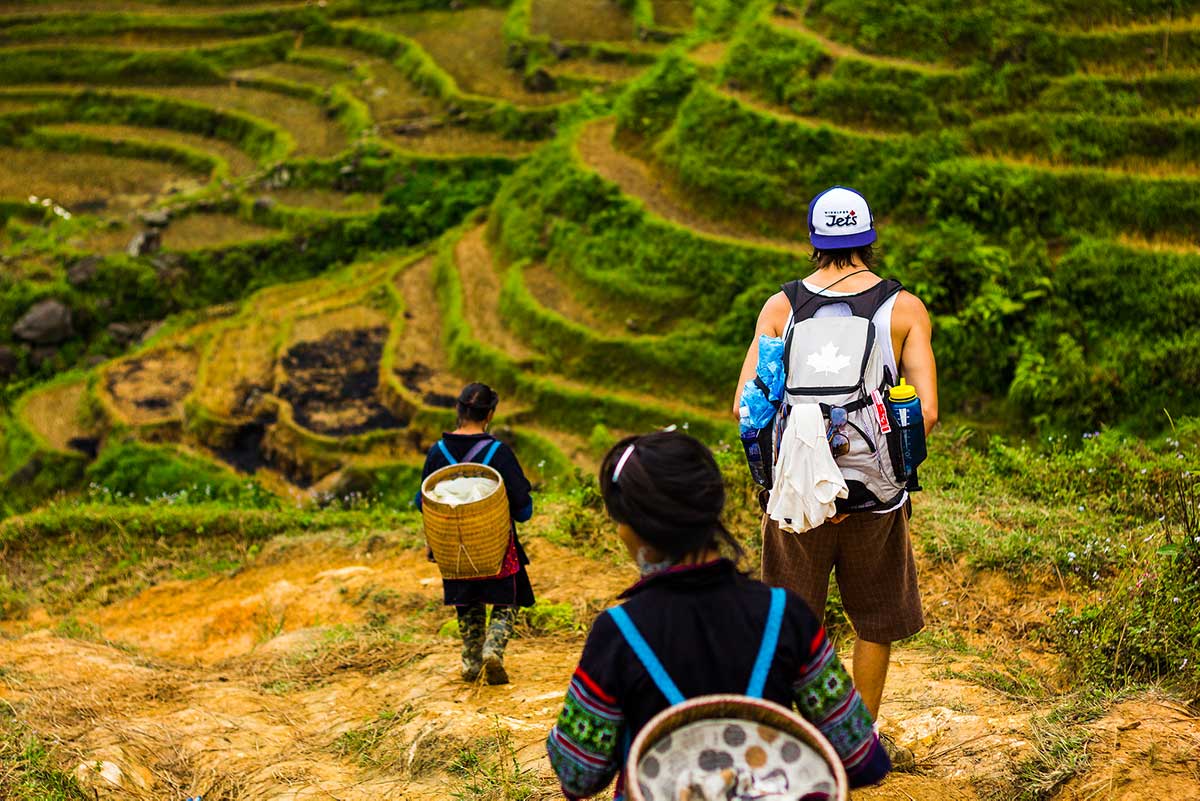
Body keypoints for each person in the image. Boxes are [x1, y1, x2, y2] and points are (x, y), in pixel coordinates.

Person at [546, 431, 889, 799]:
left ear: (633, 527)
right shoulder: (784, 615)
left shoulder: (618, 633)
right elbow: (861, 758)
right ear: (711, 510)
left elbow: (579, 774)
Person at [731, 186, 939, 767]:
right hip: (875, 495)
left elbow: (746, 407)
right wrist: (873, 470)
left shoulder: (780, 308)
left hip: (796, 497)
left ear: (813, 243)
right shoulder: (903, 308)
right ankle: (858, 741)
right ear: (869, 237)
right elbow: (925, 411)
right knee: (874, 616)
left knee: (794, 617)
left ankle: (792, 739)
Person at [419, 383, 534, 685]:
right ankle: (493, 648)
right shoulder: (499, 453)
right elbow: (522, 507)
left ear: (458, 410)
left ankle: (471, 660)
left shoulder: (437, 453)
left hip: (452, 547)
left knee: (466, 601)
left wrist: (433, 542)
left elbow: (424, 502)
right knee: (508, 599)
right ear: (490, 414)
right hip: (494, 546)